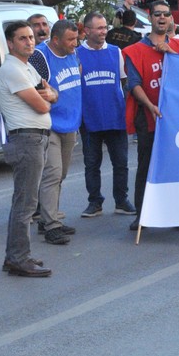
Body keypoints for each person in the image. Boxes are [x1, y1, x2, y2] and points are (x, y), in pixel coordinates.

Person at [0, 21, 58, 277]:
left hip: (35, 138)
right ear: (10, 43)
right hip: (26, 140)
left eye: (31, 37)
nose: (29, 42)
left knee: (25, 201)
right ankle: (18, 259)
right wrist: (47, 97)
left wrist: (49, 96)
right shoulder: (12, 69)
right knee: (25, 203)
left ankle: (18, 256)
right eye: (22, 38)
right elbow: (43, 105)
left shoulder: (28, 67)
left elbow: (52, 93)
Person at [123, 0, 179, 230]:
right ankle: (143, 215)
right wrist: (150, 105)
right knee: (147, 167)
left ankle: (177, 216)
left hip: (176, 120)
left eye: (166, 14)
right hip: (149, 118)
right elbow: (133, 83)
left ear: (171, 18)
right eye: (157, 14)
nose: (162, 18)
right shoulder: (134, 50)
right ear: (150, 18)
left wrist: (170, 52)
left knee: (176, 167)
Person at [77, 13, 134, 219]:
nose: (103, 31)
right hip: (89, 118)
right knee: (92, 163)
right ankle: (95, 202)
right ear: (87, 31)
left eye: (105, 27)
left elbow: (123, 81)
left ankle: (121, 200)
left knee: (121, 162)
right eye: (99, 28)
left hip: (115, 116)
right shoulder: (76, 55)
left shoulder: (115, 51)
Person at [36, 20, 83, 245]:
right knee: (53, 173)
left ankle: (48, 215)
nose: (75, 43)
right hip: (49, 123)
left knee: (61, 174)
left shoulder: (73, 52)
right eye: (70, 40)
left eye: (76, 39)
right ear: (56, 40)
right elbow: (35, 90)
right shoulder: (40, 56)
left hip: (70, 122)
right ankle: (51, 224)